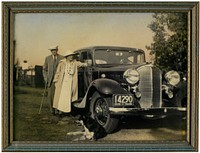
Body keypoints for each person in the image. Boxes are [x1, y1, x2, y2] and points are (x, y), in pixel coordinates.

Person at [43, 45, 64, 115]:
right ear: (50, 51)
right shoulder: (47, 58)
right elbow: (44, 69)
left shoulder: (62, 58)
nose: (54, 51)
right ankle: (52, 110)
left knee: (58, 95)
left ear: (57, 50)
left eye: (55, 50)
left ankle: (57, 110)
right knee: (50, 95)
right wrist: (46, 78)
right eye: (52, 50)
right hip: (51, 80)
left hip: (59, 79)